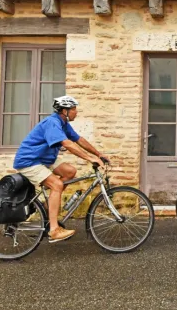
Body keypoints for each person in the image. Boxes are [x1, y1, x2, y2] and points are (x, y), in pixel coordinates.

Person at [12, 95, 108, 243]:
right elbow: (67, 144)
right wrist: (89, 158)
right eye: (74, 109)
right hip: (29, 160)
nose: (76, 112)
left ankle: (48, 205)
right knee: (57, 185)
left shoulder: (63, 123)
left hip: (44, 158)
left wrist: (98, 154)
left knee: (70, 172)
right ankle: (54, 230)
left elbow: (78, 140)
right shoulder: (52, 122)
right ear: (65, 111)